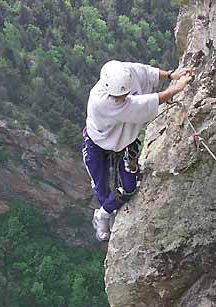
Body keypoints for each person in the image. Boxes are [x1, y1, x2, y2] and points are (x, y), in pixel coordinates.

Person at [82, 60, 192, 241]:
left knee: (128, 187)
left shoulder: (128, 72)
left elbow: (148, 73)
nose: (121, 99)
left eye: (123, 95)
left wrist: (172, 75)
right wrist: (176, 88)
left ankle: (102, 214)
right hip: (96, 144)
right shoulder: (101, 101)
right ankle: (105, 212)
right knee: (101, 189)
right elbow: (145, 104)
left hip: (124, 142)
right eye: (117, 96)